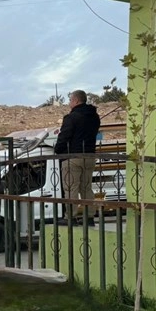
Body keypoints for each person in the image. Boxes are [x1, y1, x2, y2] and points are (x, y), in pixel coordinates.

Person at [54, 90, 101, 224]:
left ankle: (70, 217)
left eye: (70, 100)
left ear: (75, 101)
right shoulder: (94, 117)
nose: (69, 103)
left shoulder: (72, 117)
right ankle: (90, 216)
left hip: (73, 157)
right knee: (86, 187)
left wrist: (58, 149)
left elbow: (64, 137)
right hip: (90, 156)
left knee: (70, 187)